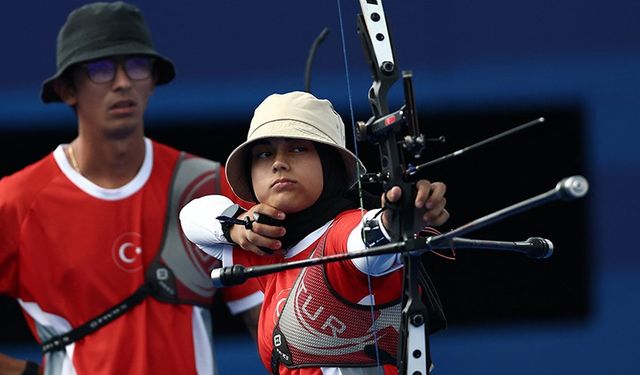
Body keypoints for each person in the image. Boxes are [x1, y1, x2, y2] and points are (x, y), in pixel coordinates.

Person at [0, 2, 263, 375]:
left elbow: (266, 322)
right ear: (67, 89)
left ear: (153, 81)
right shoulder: (16, 202)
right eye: (101, 69)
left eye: (137, 66)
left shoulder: (207, 187)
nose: (123, 82)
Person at [180, 91, 450, 374]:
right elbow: (190, 217)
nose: (278, 163)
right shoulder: (265, 243)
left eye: (298, 149)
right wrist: (234, 227)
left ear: (329, 163)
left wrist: (395, 222)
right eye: (264, 153)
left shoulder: (343, 231)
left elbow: (364, 241)